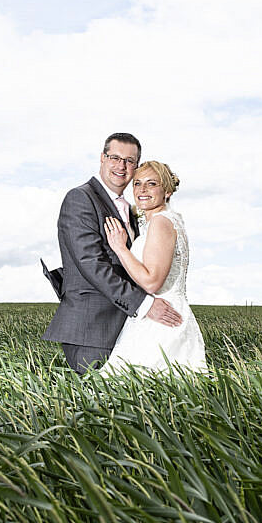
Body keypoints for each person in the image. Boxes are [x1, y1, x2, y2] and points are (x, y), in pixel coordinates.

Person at [43, 133, 183, 374]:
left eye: (130, 161)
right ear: (102, 158)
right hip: (92, 327)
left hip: (127, 326)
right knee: (97, 403)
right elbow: (91, 263)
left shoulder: (131, 210)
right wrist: (144, 304)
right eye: (115, 157)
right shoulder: (80, 198)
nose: (122, 166)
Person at [99, 160, 206, 374]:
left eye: (152, 184)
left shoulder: (160, 222)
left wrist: (120, 248)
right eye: (137, 184)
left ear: (166, 191)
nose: (142, 190)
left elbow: (151, 281)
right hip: (169, 312)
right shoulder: (167, 220)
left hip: (160, 320)